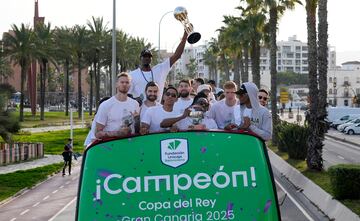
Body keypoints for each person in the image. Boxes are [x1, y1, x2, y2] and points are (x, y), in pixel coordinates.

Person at [129, 31, 188, 102]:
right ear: (140, 58)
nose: (147, 58)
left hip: (157, 109)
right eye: (144, 56)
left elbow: (177, 55)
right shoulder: (132, 75)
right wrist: (135, 100)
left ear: (151, 58)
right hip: (141, 111)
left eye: (149, 56)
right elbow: (127, 95)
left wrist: (185, 36)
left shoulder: (160, 69)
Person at [95, 72, 140, 139]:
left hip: (130, 144)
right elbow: (97, 133)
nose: (124, 84)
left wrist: (137, 121)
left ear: (130, 85)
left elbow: (137, 130)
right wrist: (118, 133)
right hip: (112, 145)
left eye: (127, 82)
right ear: (116, 84)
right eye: (122, 82)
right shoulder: (106, 105)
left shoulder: (135, 104)